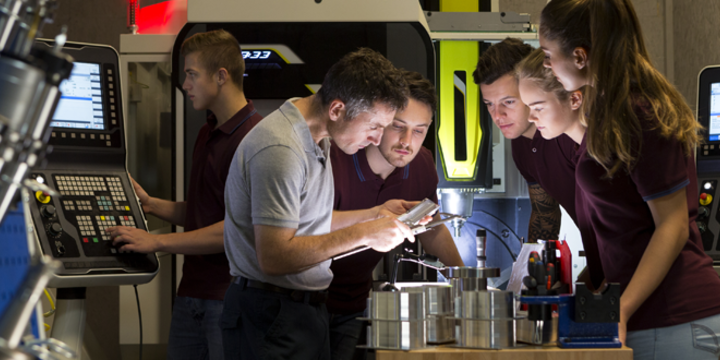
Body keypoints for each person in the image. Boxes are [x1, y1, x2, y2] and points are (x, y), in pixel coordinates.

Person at [540, 0, 720, 357]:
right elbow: (626, 230)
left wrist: (620, 308)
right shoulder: (609, 110)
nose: (545, 64)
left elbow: (672, 227)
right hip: (649, 318)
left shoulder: (641, 111)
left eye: (547, 53)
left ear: (580, 56)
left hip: (674, 318)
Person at [221, 48, 426, 360]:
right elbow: (275, 257)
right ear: (337, 109)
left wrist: (376, 214)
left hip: (303, 310)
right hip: (271, 312)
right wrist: (366, 234)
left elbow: (309, 221)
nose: (376, 139)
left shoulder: (319, 138)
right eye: (374, 127)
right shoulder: (281, 148)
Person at [106, 29, 263, 360]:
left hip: (228, 299)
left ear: (221, 76)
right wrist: (150, 205)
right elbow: (204, 212)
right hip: (190, 294)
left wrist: (157, 242)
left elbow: (233, 230)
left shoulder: (253, 140)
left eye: (191, 74)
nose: (185, 85)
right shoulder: (207, 132)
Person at [327, 70, 464, 359]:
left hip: (354, 304)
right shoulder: (335, 157)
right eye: (398, 126)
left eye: (419, 130)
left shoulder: (422, 164)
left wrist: (465, 283)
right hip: (303, 303)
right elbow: (304, 228)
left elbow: (433, 227)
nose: (407, 141)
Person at [473, 38, 578, 243]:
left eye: (508, 102)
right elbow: (544, 213)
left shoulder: (567, 134)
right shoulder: (521, 144)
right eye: (489, 104)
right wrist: (529, 266)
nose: (498, 115)